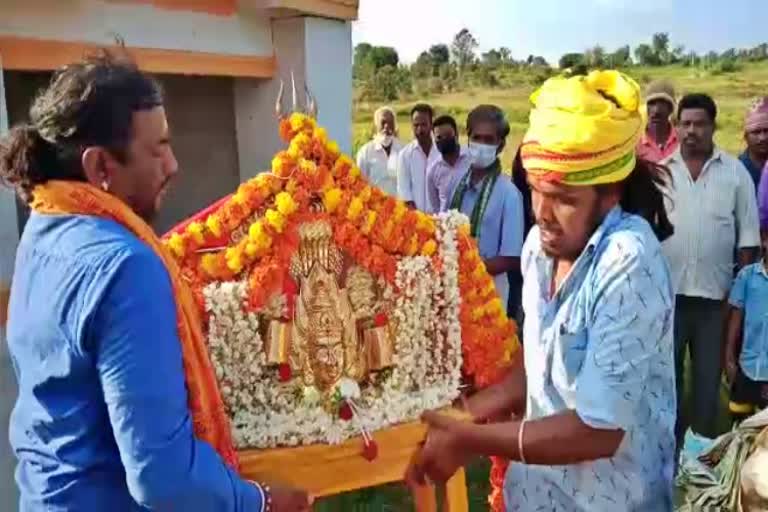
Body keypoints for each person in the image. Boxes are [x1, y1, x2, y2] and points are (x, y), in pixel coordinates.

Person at [0, 52, 310, 511]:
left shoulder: (42, 231)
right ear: (100, 168)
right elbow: (161, 476)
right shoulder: (126, 266)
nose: (173, 165)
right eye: (157, 148)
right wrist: (259, 502)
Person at [406, 71, 677, 511]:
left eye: (565, 198)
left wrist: (470, 439)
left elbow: (598, 430)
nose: (544, 214)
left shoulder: (628, 260)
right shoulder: (538, 249)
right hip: (534, 496)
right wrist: (466, 414)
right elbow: (541, 364)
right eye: (536, 191)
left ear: (609, 194)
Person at [662, 93, 760, 442]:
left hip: (715, 301)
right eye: (685, 123)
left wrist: (739, 300)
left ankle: (700, 452)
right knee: (665, 381)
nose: (692, 131)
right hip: (667, 299)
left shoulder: (735, 174)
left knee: (707, 381)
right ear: (676, 127)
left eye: (700, 124)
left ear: (713, 126)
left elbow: (748, 240)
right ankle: (666, 450)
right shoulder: (662, 174)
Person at [444, 105, 524, 309]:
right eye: (477, 138)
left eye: (489, 140)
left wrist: (468, 269)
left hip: (489, 300)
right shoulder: (456, 183)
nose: (481, 145)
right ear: (468, 139)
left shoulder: (509, 194)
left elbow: (511, 258)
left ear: (501, 144)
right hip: (452, 294)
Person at [724, 229, 768, 425]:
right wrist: (729, 358)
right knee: (739, 428)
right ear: (764, 240)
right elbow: (735, 319)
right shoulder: (747, 277)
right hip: (746, 367)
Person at [397, 103, 440, 210]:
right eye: (416, 125)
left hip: (441, 219)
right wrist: (418, 221)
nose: (420, 130)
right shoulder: (405, 155)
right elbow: (404, 192)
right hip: (417, 220)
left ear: (431, 125)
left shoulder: (442, 151)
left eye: (424, 124)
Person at [426, 114, 470, 213]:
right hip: (449, 226)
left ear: (457, 135)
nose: (444, 140)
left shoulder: (473, 159)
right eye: (439, 137)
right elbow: (435, 208)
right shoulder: (432, 171)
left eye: (448, 135)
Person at [355, 105, 403, 196]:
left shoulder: (403, 150)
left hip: (400, 206)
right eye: (383, 122)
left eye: (390, 123)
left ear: (394, 126)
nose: (386, 127)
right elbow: (360, 184)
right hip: (376, 206)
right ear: (376, 125)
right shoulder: (365, 152)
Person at [637, 80, 679, 163]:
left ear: (671, 109)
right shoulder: (634, 144)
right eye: (651, 103)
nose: (656, 111)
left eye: (662, 104)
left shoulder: (682, 141)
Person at [740, 97, 768, 192]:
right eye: (756, 132)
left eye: (767, 131)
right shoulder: (735, 172)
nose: (763, 138)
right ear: (745, 136)